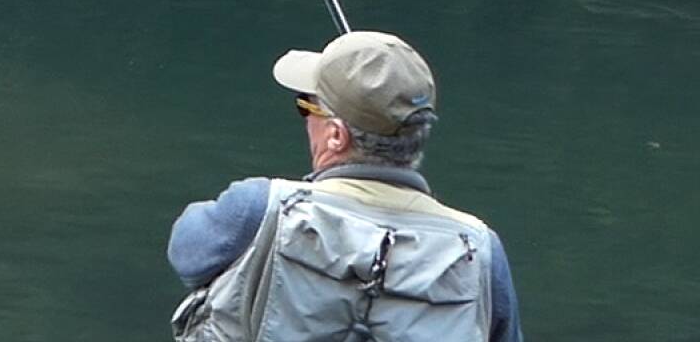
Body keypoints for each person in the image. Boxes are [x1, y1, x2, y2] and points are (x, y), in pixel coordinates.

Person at [167, 30, 521, 342]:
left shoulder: (258, 208)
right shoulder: (480, 250)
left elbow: (185, 251)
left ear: (336, 135)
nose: (305, 120)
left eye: (306, 107)